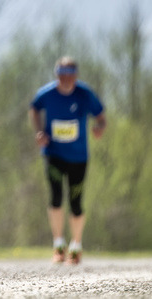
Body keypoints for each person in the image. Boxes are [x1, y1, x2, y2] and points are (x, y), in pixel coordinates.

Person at [29, 56, 107, 265]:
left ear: (76, 75)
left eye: (70, 74)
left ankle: (76, 246)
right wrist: (39, 131)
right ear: (56, 74)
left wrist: (99, 128)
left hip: (78, 157)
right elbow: (34, 109)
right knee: (55, 196)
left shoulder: (85, 94)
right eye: (61, 74)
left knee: (76, 202)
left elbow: (101, 116)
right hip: (53, 154)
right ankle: (58, 245)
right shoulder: (46, 94)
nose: (65, 78)